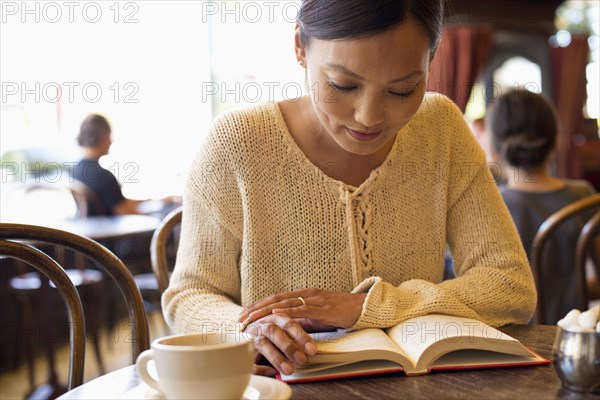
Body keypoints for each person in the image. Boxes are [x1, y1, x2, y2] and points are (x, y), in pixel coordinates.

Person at [162, 0, 536, 377]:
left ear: (431, 59)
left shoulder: (441, 130)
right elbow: (189, 297)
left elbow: (509, 284)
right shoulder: (237, 143)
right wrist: (246, 329)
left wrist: (369, 307)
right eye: (343, 84)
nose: (369, 117)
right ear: (299, 47)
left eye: (402, 90)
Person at [486, 88, 597, 324]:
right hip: (573, 336)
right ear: (556, 142)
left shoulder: (491, 206)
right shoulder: (584, 196)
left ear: (493, 149)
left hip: (517, 348)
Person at [72, 114, 180, 216]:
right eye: (109, 135)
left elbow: (119, 202)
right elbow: (126, 211)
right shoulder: (103, 176)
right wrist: (158, 215)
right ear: (102, 136)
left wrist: (154, 200)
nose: (111, 141)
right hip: (113, 232)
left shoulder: (77, 170)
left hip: (92, 231)